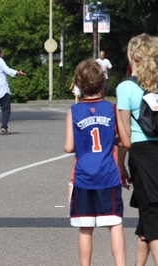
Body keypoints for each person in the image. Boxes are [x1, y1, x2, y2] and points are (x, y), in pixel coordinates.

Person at [64, 59, 131, 266]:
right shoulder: (110, 108)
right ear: (102, 82)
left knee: (85, 228)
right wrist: (111, 139)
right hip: (108, 175)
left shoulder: (74, 111)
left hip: (83, 176)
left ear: (79, 84)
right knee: (115, 222)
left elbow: (68, 147)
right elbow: (126, 141)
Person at [116, 33, 158, 266]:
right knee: (147, 217)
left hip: (141, 155)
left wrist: (121, 166)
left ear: (131, 55)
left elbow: (125, 135)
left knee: (151, 220)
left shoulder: (125, 88)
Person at [0, 46, 26, 135]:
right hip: (3, 89)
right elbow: (8, 70)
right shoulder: (0, 62)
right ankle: (4, 127)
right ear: (0, 53)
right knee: (6, 109)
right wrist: (17, 73)